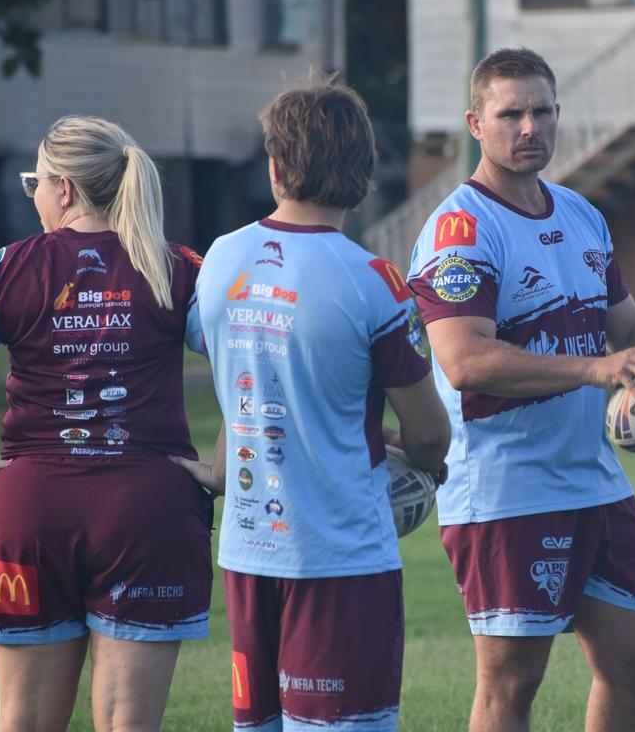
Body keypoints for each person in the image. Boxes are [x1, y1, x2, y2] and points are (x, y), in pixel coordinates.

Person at [406, 48, 635, 732]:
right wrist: (594, 370)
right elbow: (464, 361)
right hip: (505, 488)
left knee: (634, 662)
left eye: (543, 111)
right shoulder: (460, 230)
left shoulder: (582, 213)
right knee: (511, 686)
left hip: (592, 478)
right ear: (475, 122)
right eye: (511, 113)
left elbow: (628, 326)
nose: (531, 127)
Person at [175, 81, 450, 732]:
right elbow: (432, 437)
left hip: (247, 556)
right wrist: (405, 454)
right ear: (364, 174)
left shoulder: (219, 260)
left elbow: (248, 386)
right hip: (341, 562)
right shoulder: (374, 282)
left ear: (274, 167)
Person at [0, 115, 214, 732]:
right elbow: (254, 361)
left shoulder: (8, 267)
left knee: (21, 721)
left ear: (66, 189)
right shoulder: (177, 266)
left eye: (35, 183)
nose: (35, 195)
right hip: (148, 512)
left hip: (29, 510)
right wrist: (228, 467)